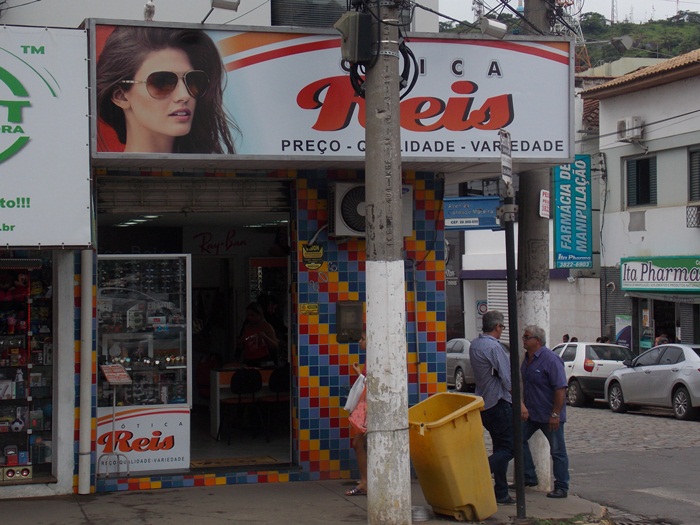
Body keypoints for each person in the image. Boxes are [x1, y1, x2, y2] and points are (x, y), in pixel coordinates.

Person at [96, 26, 236, 153]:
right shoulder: (97, 172)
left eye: (192, 80)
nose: (184, 95)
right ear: (121, 96)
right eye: (162, 82)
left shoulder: (217, 170)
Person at [469, 310, 514, 505]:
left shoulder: (475, 345)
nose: (502, 330)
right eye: (502, 327)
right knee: (511, 447)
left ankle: (501, 492)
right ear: (497, 327)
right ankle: (481, 471)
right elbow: (507, 378)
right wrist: (519, 400)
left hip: (484, 401)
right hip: (499, 401)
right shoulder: (494, 347)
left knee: (499, 446)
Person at [519, 325, 570, 499]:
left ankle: (562, 486)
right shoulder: (527, 359)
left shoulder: (551, 360)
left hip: (549, 415)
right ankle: (528, 475)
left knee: (557, 451)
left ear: (537, 340)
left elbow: (560, 389)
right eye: (524, 337)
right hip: (531, 413)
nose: (524, 340)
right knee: (516, 439)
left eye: (527, 337)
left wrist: (555, 414)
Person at [346, 332, 367, 496]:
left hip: (367, 407)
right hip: (365, 406)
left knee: (358, 443)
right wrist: (359, 373)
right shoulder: (371, 359)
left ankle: (365, 481)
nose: (360, 341)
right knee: (359, 443)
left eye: (363, 338)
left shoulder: (374, 359)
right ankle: (365, 480)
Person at [235, 302, 279, 367]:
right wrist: (240, 343)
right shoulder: (247, 327)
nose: (250, 318)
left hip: (263, 360)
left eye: (252, 315)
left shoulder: (266, 326)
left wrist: (265, 337)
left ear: (259, 315)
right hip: (248, 359)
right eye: (248, 315)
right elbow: (242, 344)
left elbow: (275, 345)